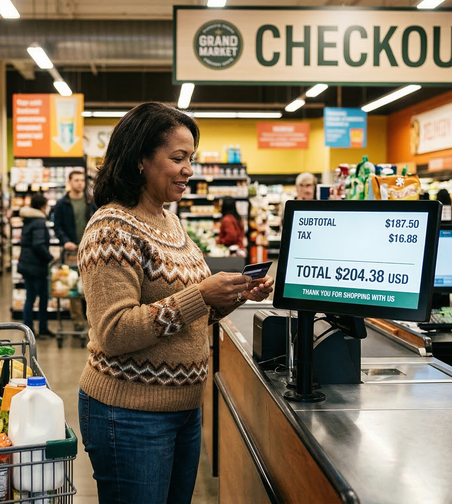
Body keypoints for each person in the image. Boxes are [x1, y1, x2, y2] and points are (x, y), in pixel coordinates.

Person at [76, 102, 274, 503]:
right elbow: (113, 331)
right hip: (128, 413)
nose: (189, 169)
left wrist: (233, 296)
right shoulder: (110, 227)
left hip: (183, 408)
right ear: (140, 161)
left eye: (191, 159)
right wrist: (200, 294)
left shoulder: (171, 221)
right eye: (178, 158)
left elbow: (190, 316)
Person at [52, 169, 98, 332]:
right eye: (76, 180)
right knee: (73, 286)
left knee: (91, 285)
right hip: (71, 252)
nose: (80, 183)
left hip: (90, 250)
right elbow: (57, 226)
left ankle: (93, 321)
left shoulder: (90, 202)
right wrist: (65, 242)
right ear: (69, 182)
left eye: (82, 180)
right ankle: (78, 321)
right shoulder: (62, 203)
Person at [17, 193, 54, 337]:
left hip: (27, 264)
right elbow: (38, 245)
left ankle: (29, 330)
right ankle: (42, 328)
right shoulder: (38, 221)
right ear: (42, 206)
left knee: (30, 298)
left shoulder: (28, 219)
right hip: (36, 266)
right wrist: (50, 258)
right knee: (42, 298)